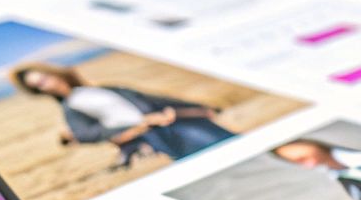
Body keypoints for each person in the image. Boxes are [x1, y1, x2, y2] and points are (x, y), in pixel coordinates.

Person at [12, 63, 233, 167]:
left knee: (232, 145)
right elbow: (89, 133)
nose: (47, 83)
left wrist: (200, 107)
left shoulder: (97, 90)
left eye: (45, 77)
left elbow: (151, 99)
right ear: (39, 91)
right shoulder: (71, 108)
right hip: (157, 133)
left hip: (177, 120)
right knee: (215, 161)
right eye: (40, 84)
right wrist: (142, 124)